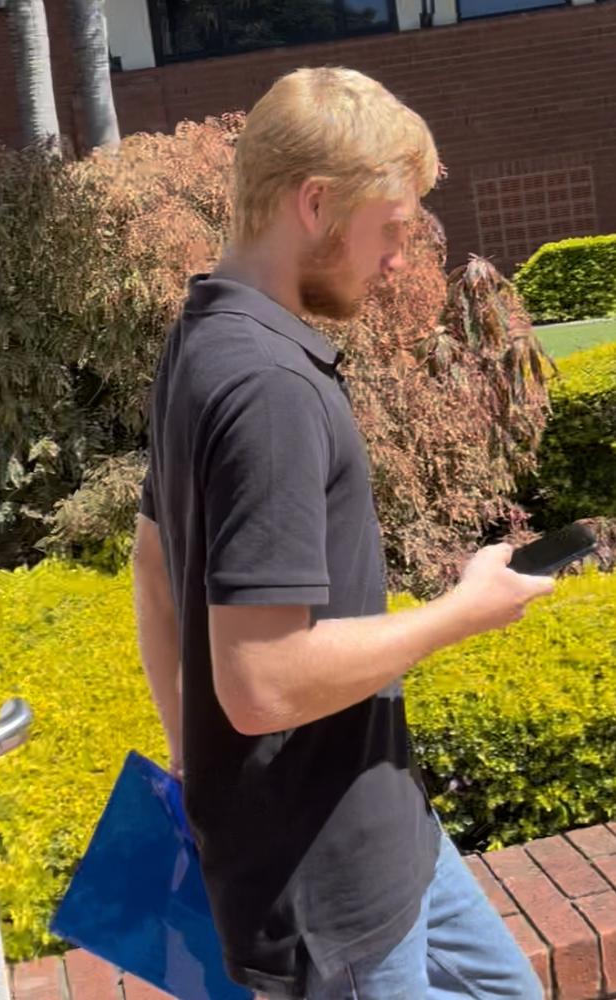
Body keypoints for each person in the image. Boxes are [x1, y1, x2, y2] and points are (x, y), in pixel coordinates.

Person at [133, 67, 553, 1000]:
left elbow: (153, 563)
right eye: (392, 230)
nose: (400, 261)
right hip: (326, 889)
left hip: (379, 814)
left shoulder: (204, 331)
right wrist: (463, 612)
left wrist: (188, 756)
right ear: (316, 203)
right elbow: (262, 681)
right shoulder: (269, 389)